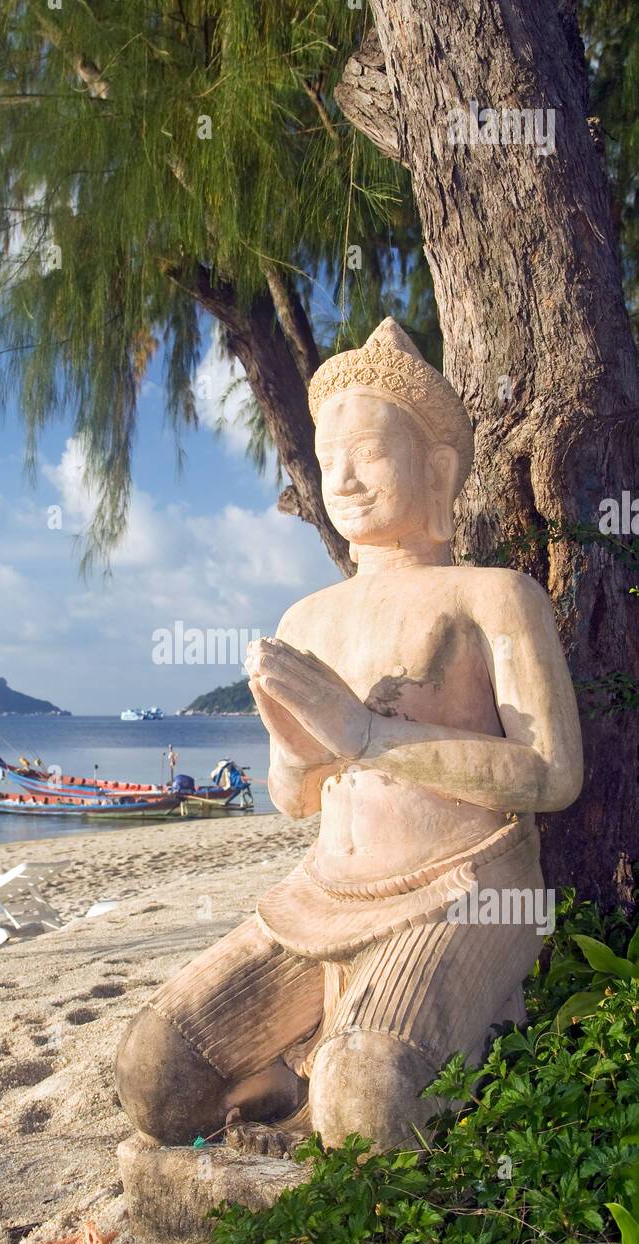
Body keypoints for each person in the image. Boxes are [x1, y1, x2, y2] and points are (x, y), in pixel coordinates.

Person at [115, 319, 582, 1152]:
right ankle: (299, 1081)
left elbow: (551, 772)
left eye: (368, 455)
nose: (345, 481)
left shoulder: (493, 596)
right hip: (320, 894)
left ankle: (339, 1082)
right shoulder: (308, 618)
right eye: (330, 463)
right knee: (156, 1075)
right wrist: (298, 743)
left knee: (367, 1102)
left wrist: (368, 734)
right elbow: (293, 799)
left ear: (436, 470)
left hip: (463, 887)